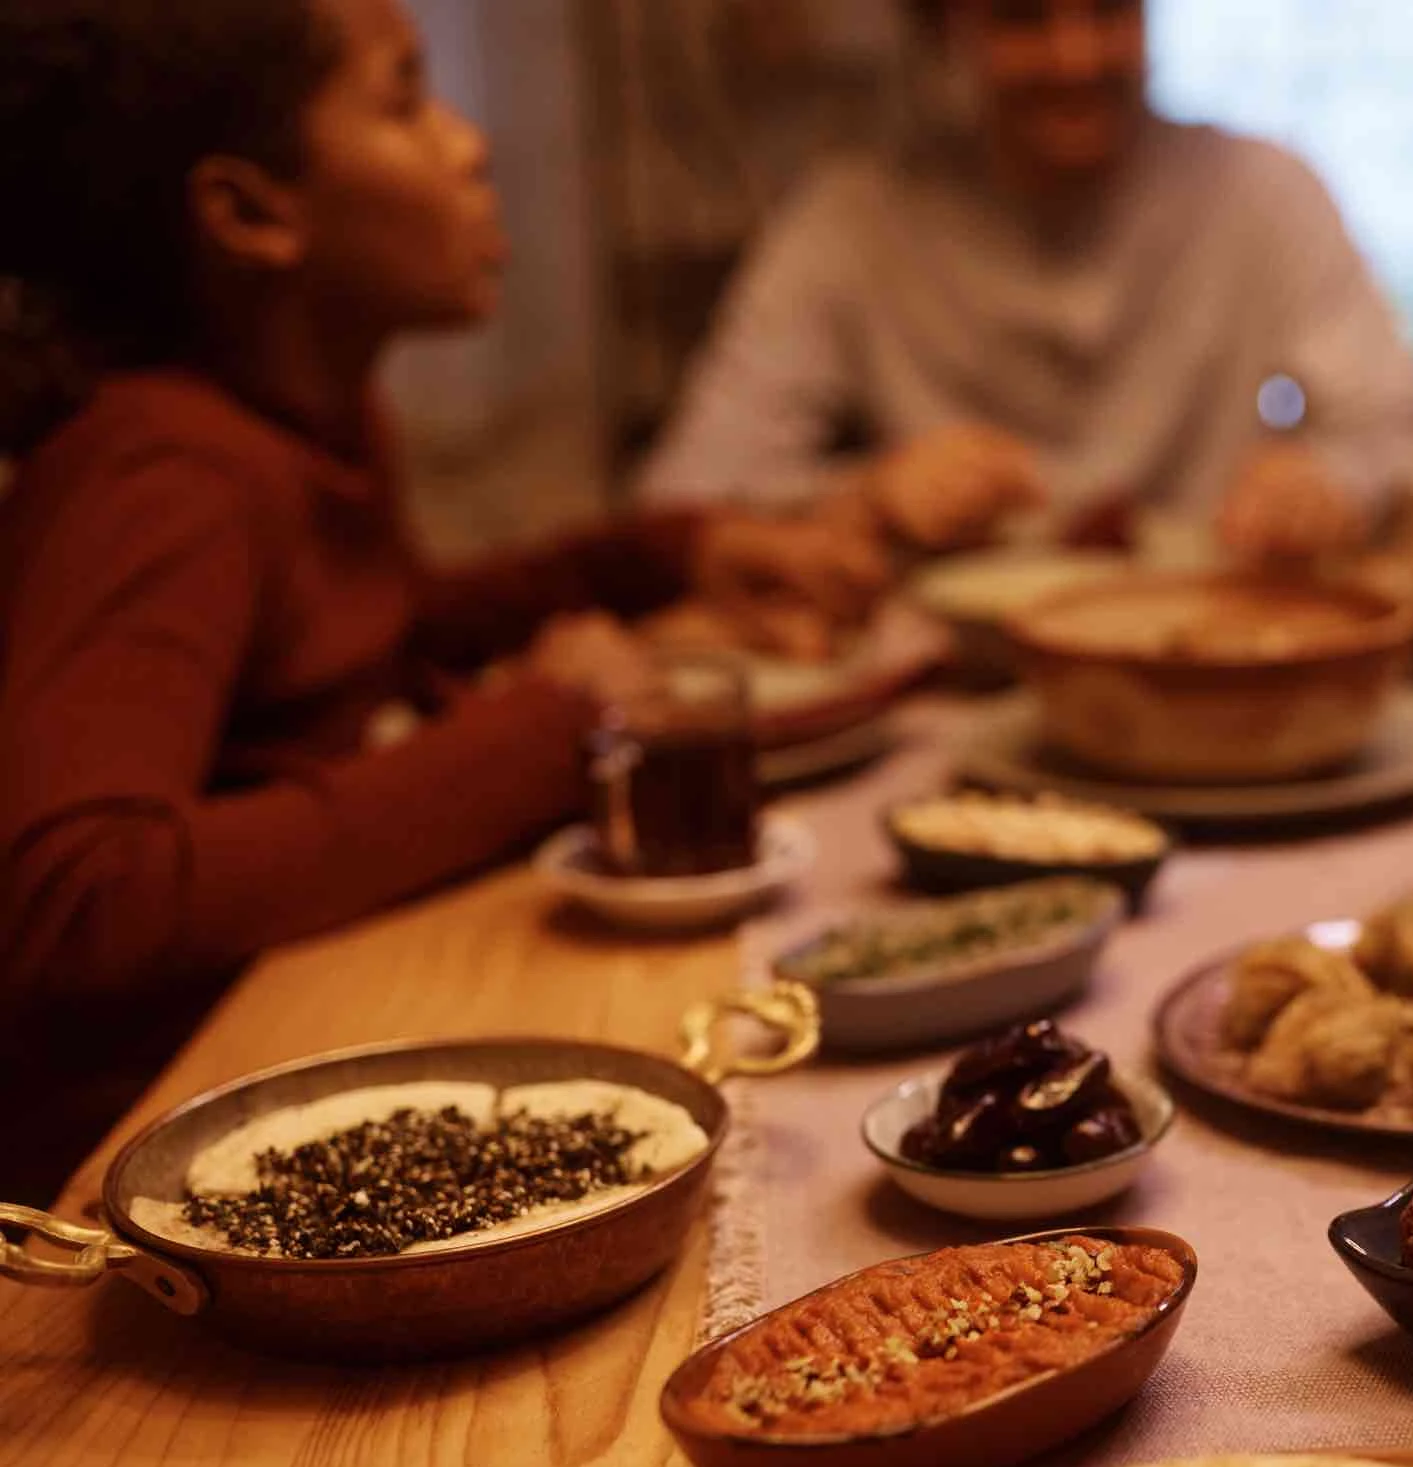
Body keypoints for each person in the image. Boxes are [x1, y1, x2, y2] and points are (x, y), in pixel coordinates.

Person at [0, 0, 883, 1202]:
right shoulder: (165, 470)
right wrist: (546, 725)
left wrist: (667, 555)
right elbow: (78, 898)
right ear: (251, 213)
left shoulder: (301, 421)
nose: (468, 144)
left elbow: (362, 638)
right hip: (146, 1175)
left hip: (303, 1053)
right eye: (405, 98)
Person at [638, 0, 1413, 567]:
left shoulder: (1267, 192)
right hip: (947, 701)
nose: (1075, 57)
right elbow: (677, 503)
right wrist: (867, 496)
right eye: (1023, 17)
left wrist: (1332, 482)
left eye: (1108, 11)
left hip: (1213, 663)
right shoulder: (850, 222)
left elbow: (1403, 434)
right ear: (948, 25)